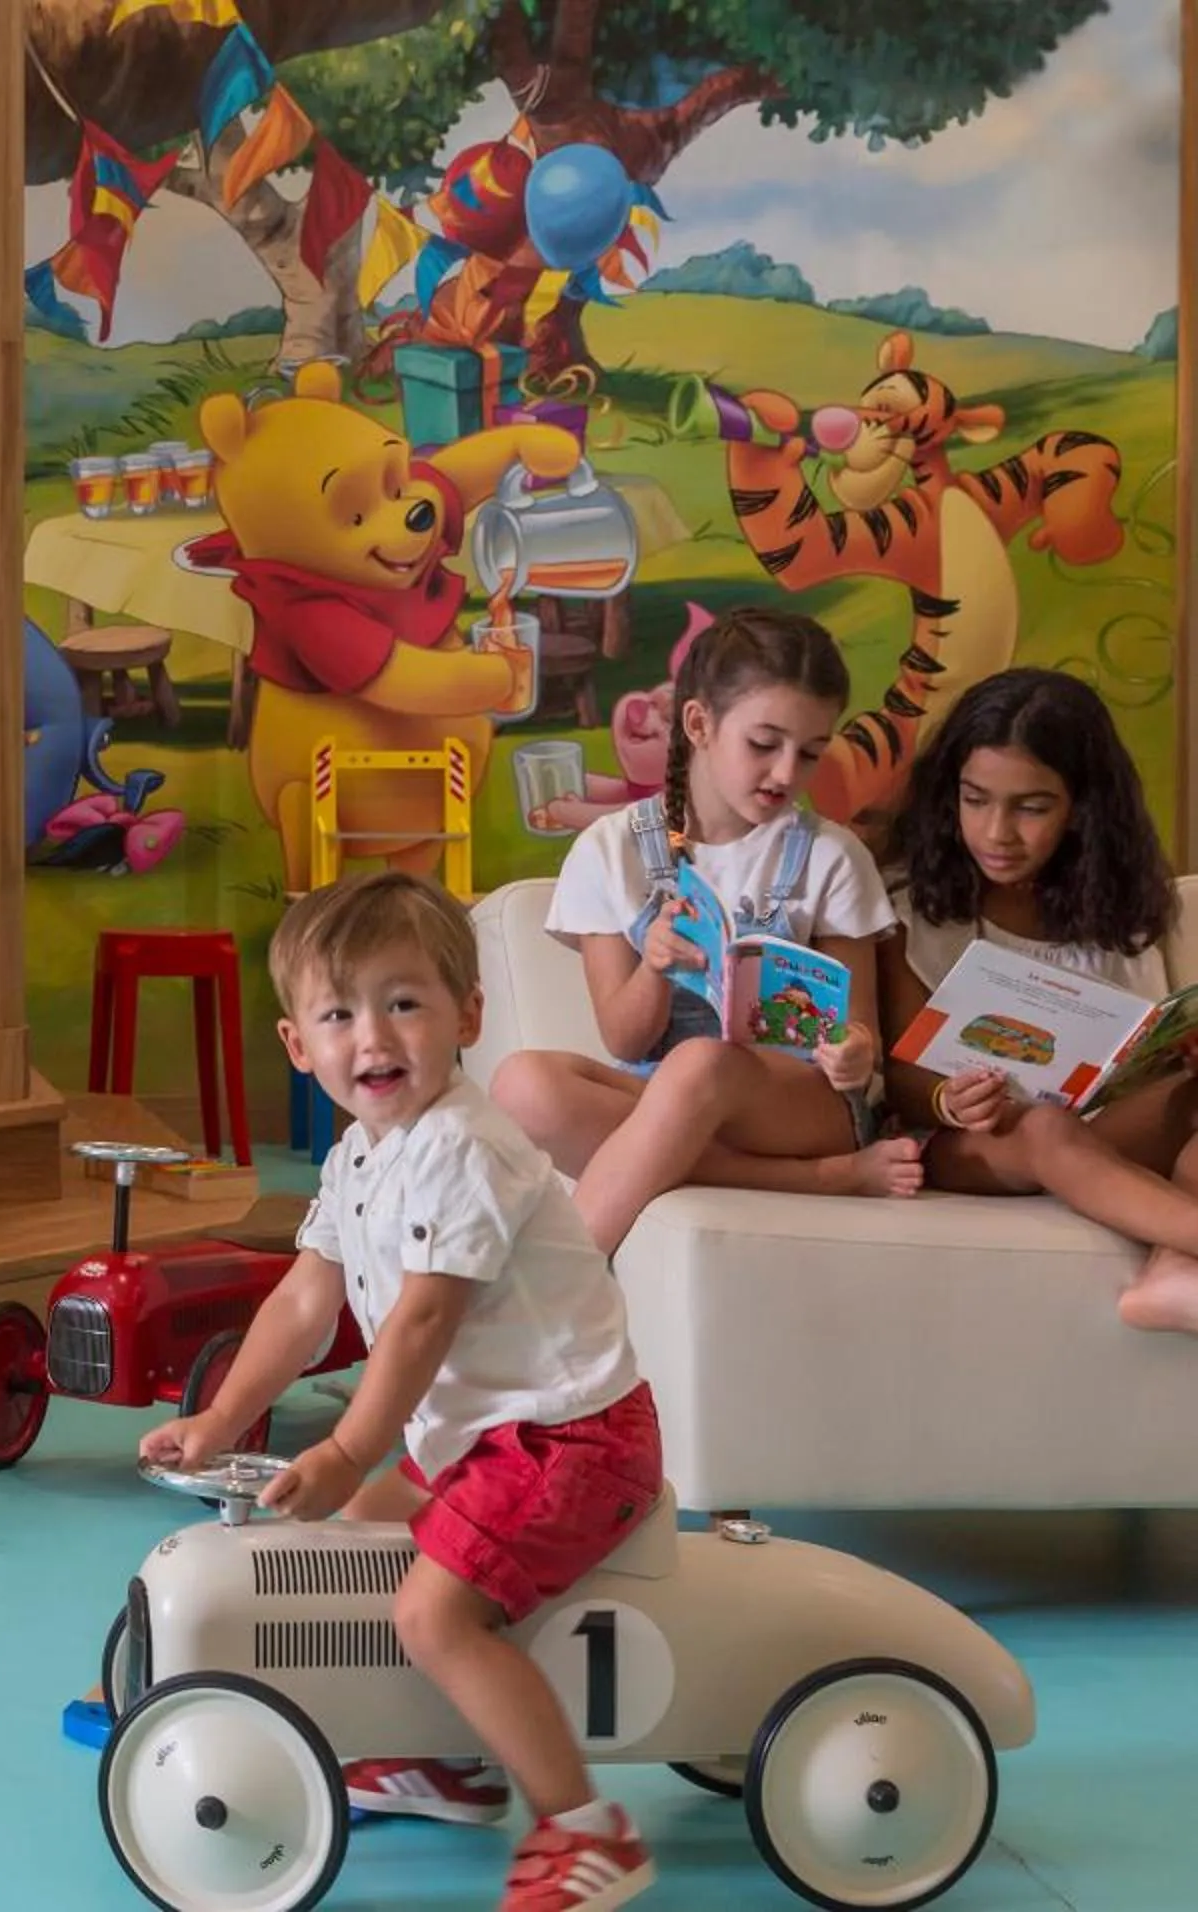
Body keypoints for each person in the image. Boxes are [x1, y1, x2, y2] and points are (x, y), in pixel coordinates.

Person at [141, 872, 663, 1912]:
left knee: (432, 1610)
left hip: (568, 1439)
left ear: (468, 1015)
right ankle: (449, 1758)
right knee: (352, 1551)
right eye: (340, 1012)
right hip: (481, 1438)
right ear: (300, 1045)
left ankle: (585, 1827)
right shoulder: (363, 1156)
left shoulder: (463, 1149)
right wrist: (222, 1416)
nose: (372, 1035)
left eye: (405, 1002)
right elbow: (302, 1302)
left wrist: (346, 1450)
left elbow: (424, 1319)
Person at [490, 606, 913, 1253]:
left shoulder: (830, 855)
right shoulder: (610, 850)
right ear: (699, 724)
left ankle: (561, 1285)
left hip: (799, 1104)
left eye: (809, 753)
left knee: (698, 1065)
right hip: (659, 1086)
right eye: (764, 743)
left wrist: (852, 1050)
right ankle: (822, 1181)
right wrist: (654, 966)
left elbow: (861, 1038)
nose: (785, 774)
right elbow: (623, 1036)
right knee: (521, 1085)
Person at [880, 667, 1198, 1335]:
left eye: (1031, 807)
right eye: (976, 800)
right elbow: (904, 1078)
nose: (997, 831)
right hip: (965, 1139)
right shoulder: (909, 910)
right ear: (950, 796)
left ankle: (1172, 1275)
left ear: (1081, 806)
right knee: (1042, 1128)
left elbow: (1152, 1051)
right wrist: (948, 1098)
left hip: (1101, 1129)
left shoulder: (1125, 912)